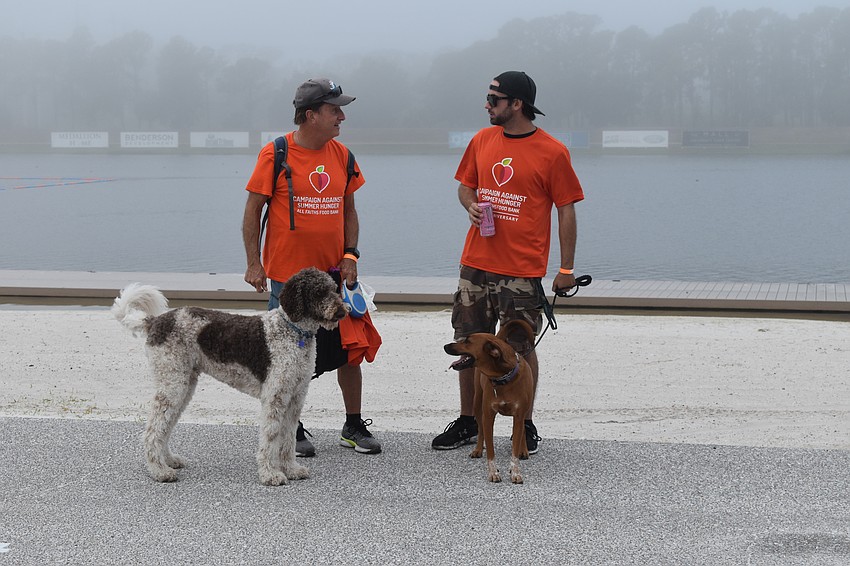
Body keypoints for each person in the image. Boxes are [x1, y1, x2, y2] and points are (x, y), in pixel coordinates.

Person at [432, 71, 585, 455]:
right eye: (488, 98)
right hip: (475, 263)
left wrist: (565, 269)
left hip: (521, 268)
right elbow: (465, 185)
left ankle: (525, 423)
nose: (487, 105)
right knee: (469, 341)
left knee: (520, 344)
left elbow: (566, 210)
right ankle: (468, 421)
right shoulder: (482, 140)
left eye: (494, 99)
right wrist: (469, 205)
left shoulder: (552, 151)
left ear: (517, 104)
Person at [242, 78, 381, 456]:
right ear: (310, 115)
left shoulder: (343, 156)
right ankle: (292, 427)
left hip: (334, 278)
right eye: (334, 110)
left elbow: (349, 211)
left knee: (350, 352)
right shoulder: (276, 154)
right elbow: (253, 211)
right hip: (288, 281)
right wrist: (254, 263)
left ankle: (353, 425)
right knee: (285, 356)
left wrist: (351, 254)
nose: (342, 116)